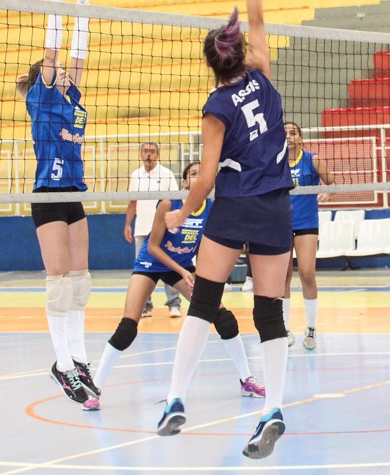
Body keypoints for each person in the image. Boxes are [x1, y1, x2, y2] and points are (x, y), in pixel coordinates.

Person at [155, 0, 295, 460]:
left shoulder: (216, 105)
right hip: (276, 207)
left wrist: (180, 216)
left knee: (205, 303)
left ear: (212, 65)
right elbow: (258, 19)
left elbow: (206, 177)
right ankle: (273, 408)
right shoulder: (262, 70)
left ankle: (174, 400)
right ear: (241, 52)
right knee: (270, 313)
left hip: (233, 207)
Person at [84, 162, 265, 411]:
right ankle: (94, 388)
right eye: (192, 174)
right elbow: (154, 247)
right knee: (127, 327)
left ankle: (247, 380)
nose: (198, 176)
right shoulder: (169, 204)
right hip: (151, 263)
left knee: (223, 318)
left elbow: (205, 247)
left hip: (181, 266)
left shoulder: (210, 209)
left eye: (202, 172)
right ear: (184, 182)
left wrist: (204, 274)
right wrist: (183, 271)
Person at [15, 0, 96, 404]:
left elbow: (78, 54)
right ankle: (62, 366)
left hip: (74, 195)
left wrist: (85, 2)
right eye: (57, 70)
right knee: (59, 282)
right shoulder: (44, 100)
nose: (66, 70)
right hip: (46, 194)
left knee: (81, 282)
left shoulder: (72, 97)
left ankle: (79, 359)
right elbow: (54, 51)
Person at [282, 121, 332, 350]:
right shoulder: (275, 162)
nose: (288, 136)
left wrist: (327, 193)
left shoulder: (312, 159)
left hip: (306, 223)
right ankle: (284, 328)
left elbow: (331, 183)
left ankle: (311, 327)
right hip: (280, 223)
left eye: (293, 133)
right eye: (284, 133)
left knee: (307, 273)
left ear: (300, 138)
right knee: (283, 276)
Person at [124, 141, 183, 318]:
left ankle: (174, 304)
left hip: (163, 230)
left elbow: (175, 200)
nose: (148, 154)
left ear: (158, 155)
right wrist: (128, 223)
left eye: (152, 151)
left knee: (169, 267)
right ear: (141, 154)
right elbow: (132, 202)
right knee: (143, 269)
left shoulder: (166, 174)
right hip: (141, 229)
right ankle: (146, 306)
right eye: (145, 151)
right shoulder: (135, 175)